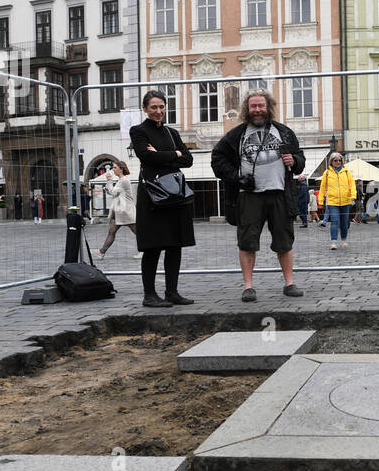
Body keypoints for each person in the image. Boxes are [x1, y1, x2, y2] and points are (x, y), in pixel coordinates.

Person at [211, 90, 306, 302]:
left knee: (284, 241)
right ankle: (248, 286)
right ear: (247, 109)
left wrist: (295, 161)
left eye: (261, 106)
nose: (257, 110)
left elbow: (300, 159)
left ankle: (289, 283)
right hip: (249, 195)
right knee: (247, 242)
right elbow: (217, 159)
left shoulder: (285, 132)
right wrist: (237, 177)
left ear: (268, 107)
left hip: (279, 194)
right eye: (253, 106)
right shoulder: (236, 135)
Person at [130, 89, 196, 307]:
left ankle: (172, 292)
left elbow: (188, 159)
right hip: (152, 194)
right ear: (145, 109)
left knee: (174, 244)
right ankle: (149, 294)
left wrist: (167, 156)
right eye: (153, 107)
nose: (158, 111)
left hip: (174, 193)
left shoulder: (171, 133)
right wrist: (173, 155)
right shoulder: (138, 131)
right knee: (153, 246)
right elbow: (146, 157)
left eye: (161, 107)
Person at [95, 160, 136, 259]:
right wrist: (109, 186)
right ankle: (102, 252)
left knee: (137, 231)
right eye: (113, 167)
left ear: (121, 169)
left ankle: (145, 250)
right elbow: (114, 193)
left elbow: (113, 192)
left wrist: (109, 180)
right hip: (119, 210)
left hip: (125, 210)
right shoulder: (120, 180)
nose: (113, 170)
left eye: (115, 167)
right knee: (112, 231)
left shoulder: (124, 180)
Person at [319, 152, 355, 249]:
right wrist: (320, 200)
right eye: (335, 160)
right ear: (331, 161)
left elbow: (352, 184)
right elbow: (322, 188)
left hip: (346, 201)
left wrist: (353, 196)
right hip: (332, 202)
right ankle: (334, 242)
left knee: (344, 222)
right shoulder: (326, 173)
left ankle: (343, 240)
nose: (338, 162)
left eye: (339, 160)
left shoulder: (347, 172)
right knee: (335, 221)